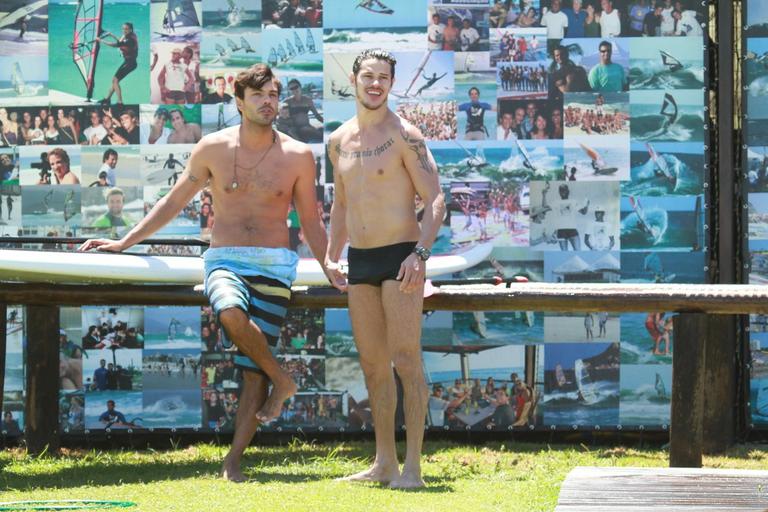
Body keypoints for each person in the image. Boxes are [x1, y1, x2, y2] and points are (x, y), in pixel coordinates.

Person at [79, 63, 344, 482]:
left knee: (252, 373)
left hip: (276, 264)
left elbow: (310, 220)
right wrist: (125, 241)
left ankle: (234, 460)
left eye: (273, 94)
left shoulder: (297, 154)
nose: (268, 102)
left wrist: (329, 262)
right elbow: (172, 200)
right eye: (258, 95)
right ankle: (285, 380)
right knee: (229, 312)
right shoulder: (212, 148)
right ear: (238, 102)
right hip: (225, 259)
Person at [327, 49, 446, 488]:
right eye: (368, 76)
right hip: (359, 260)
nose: (375, 84)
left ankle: (412, 467)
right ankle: (383, 463)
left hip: (401, 258)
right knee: (374, 366)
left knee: (406, 361)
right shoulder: (337, 140)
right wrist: (329, 253)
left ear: (392, 84)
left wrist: (421, 254)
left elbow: (435, 201)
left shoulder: (405, 135)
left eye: (383, 78)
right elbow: (341, 204)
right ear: (354, 80)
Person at [96, 23, 138, 105]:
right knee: (115, 81)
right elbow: (121, 42)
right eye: (123, 29)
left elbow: (115, 45)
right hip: (130, 63)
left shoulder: (130, 40)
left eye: (126, 29)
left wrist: (101, 41)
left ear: (130, 29)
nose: (124, 31)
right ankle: (107, 99)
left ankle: (120, 101)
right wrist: (112, 35)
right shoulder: (131, 36)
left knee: (115, 80)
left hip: (130, 63)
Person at [282, 79, 322, 143]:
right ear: (290, 91)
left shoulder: (308, 100)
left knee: (320, 135)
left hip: (307, 126)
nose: (294, 90)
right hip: (294, 129)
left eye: (296, 87)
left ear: (300, 87)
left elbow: (317, 115)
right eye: (291, 88)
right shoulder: (287, 102)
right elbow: (282, 117)